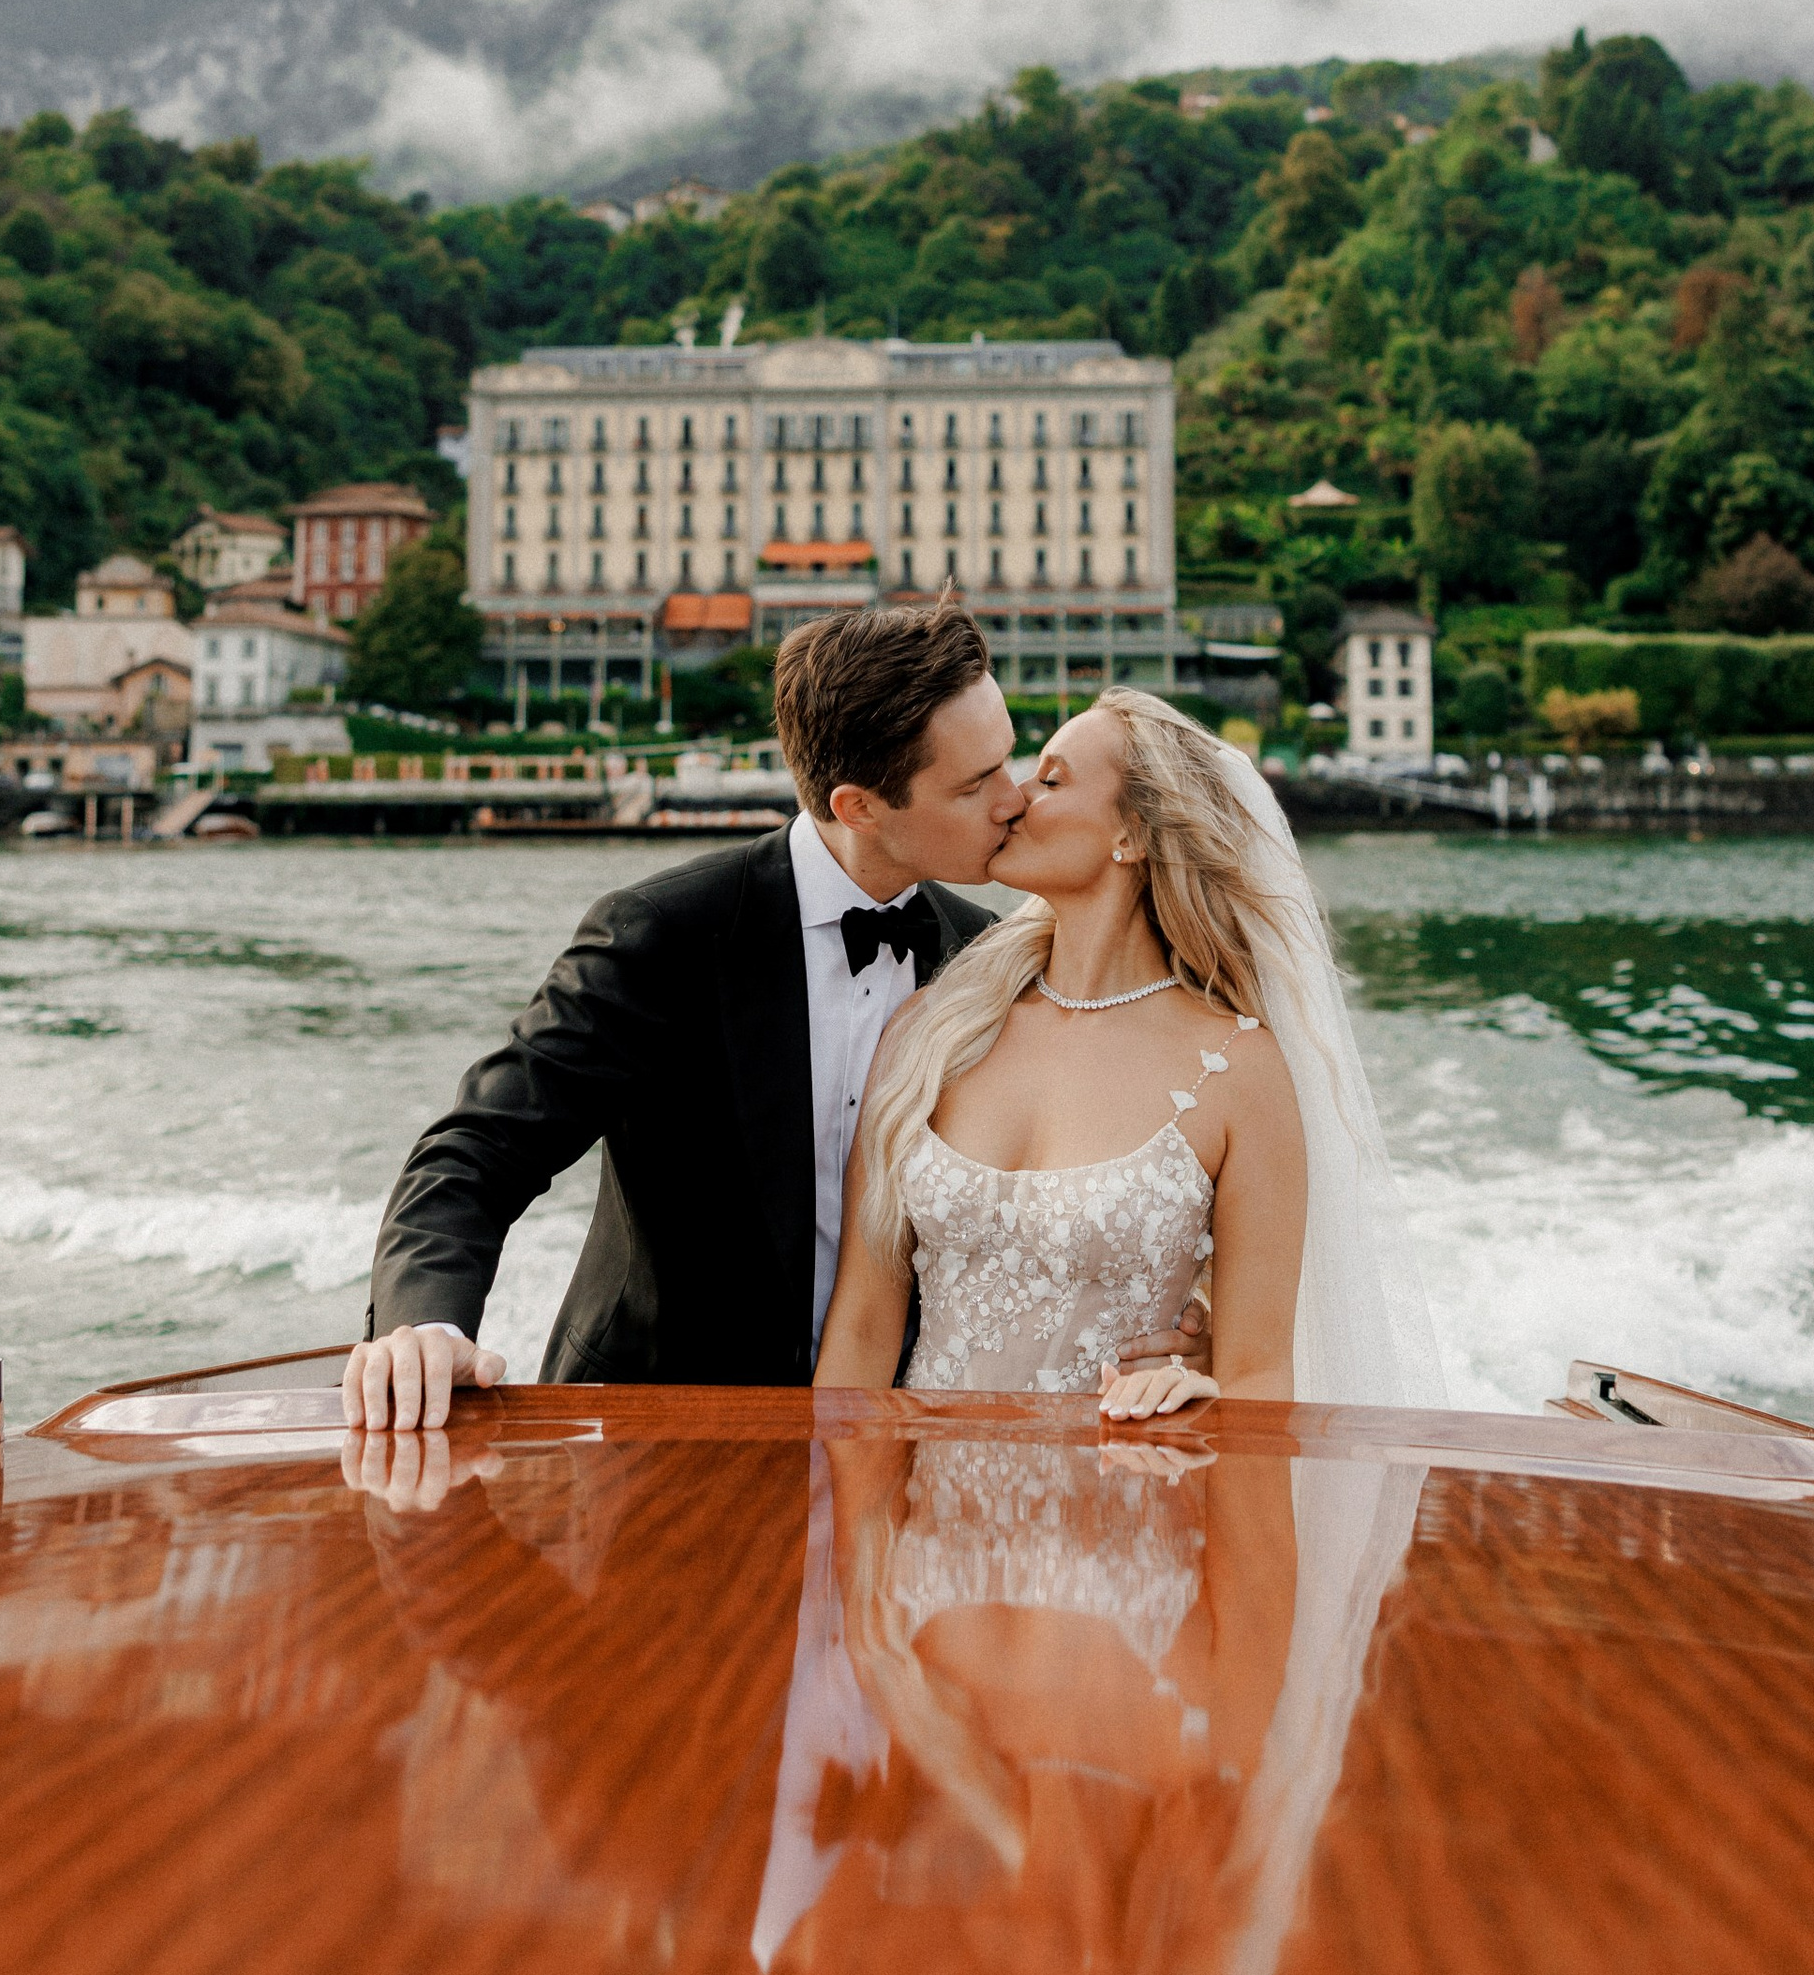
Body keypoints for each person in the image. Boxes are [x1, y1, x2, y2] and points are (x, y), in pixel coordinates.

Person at [344, 601, 1020, 1426]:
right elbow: (476, 1150)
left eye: (1008, 762)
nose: (1013, 800)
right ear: (859, 807)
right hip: (644, 1434)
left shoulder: (985, 953)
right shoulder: (663, 932)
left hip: (889, 1439)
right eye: (976, 782)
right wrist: (423, 1324)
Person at [813, 690, 1446, 1418]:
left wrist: (1203, 1390)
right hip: (924, 1518)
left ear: (1133, 833)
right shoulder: (930, 1030)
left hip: (1127, 1510)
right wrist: (851, 1525)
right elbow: (860, 1331)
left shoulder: (1240, 1071)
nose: (1015, 796)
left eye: (1050, 780)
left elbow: (1260, 1374)